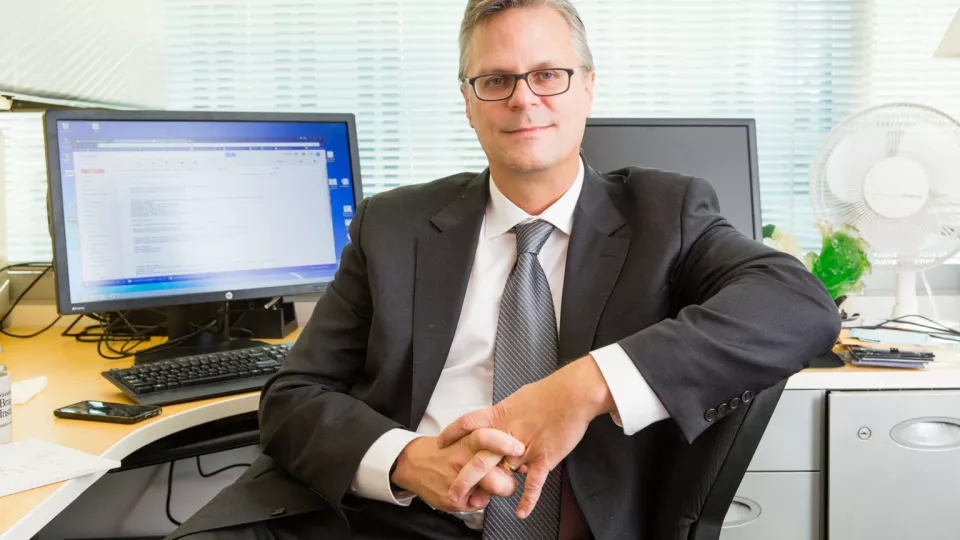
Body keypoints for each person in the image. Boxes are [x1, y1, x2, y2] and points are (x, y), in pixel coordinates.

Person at [167, 0, 840, 538]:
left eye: (549, 74)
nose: (524, 99)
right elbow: (293, 399)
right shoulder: (392, 224)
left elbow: (799, 305)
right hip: (397, 518)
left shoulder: (667, 212)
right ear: (468, 101)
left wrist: (583, 386)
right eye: (495, 80)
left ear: (587, 88)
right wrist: (406, 461)